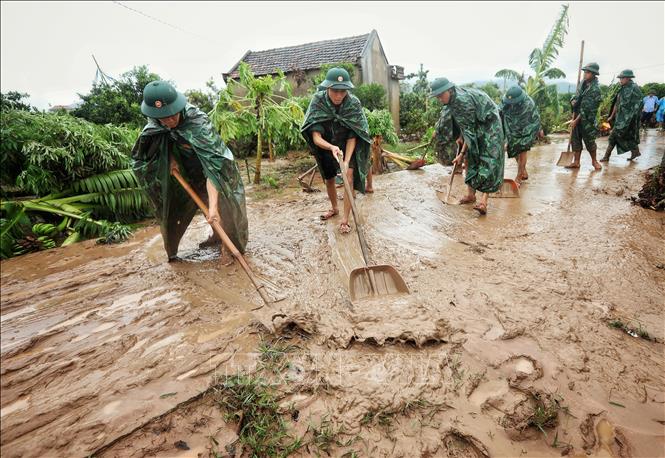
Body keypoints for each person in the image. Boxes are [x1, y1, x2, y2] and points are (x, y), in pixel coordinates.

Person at [132, 80, 248, 261]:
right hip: (190, 170)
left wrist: (213, 207)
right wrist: (169, 158)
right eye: (164, 117)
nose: (169, 120)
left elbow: (213, 168)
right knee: (205, 206)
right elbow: (159, 142)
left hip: (217, 169)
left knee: (223, 209)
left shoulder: (197, 122)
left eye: (172, 115)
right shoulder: (156, 121)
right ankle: (216, 236)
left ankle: (229, 247)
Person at [301, 68, 371, 234]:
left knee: (348, 176)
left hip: (347, 144)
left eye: (343, 91)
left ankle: (345, 219)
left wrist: (346, 161)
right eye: (335, 91)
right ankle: (334, 208)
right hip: (326, 145)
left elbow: (354, 134)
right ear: (327, 88)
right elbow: (316, 137)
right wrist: (331, 147)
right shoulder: (318, 101)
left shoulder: (353, 103)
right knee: (329, 178)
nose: (339, 95)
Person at [430, 77, 505, 215]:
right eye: (437, 97)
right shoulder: (452, 100)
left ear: (449, 90)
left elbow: (471, 132)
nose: (439, 99)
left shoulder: (461, 101)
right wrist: (462, 149)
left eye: (441, 95)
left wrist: (461, 153)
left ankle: (483, 201)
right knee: (470, 156)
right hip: (477, 122)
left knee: (489, 159)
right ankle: (471, 195)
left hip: (490, 123)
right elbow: (467, 129)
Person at [500, 85, 544, 182]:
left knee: (522, 148)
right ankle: (523, 171)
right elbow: (501, 112)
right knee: (513, 148)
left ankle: (519, 177)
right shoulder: (505, 101)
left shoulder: (528, 105)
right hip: (512, 126)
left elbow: (534, 119)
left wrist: (539, 129)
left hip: (528, 127)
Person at [566, 62, 603, 170]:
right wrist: (573, 101)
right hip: (576, 116)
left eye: (587, 72)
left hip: (587, 119)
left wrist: (576, 121)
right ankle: (576, 162)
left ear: (593, 74)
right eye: (584, 72)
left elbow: (587, 110)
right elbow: (576, 97)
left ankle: (594, 161)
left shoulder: (595, 90)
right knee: (575, 140)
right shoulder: (582, 83)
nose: (584, 74)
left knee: (589, 141)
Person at [601, 69, 644, 162]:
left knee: (614, 136)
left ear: (628, 78)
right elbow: (617, 103)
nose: (620, 80)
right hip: (620, 119)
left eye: (622, 78)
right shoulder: (622, 88)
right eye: (620, 78)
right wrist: (612, 116)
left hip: (629, 120)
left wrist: (631, 118)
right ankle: (635, 151)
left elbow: (639, 104)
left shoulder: (634, 88)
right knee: (623, 136)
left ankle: (606, 157)